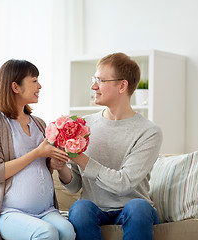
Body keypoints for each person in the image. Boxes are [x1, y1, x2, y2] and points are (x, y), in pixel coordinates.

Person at [50, 52, 163, 240]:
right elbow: (74, 186)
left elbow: (124, 184)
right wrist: (62, 166)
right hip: (93, 208)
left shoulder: (149, 132)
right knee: (80, 207)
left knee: (137, 207)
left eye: (101, 80)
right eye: (94, 79)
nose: (93, 86)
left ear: (122, 85)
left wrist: (80, 157)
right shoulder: (83, 125)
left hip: (134, 209)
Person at [0, 59, 76, 240]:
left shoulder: (39, 123)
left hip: (45, 210)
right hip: (9, 212)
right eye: (34, 81)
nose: (40, 86)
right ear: (16, 87)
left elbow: (60, 174)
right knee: (46, 233)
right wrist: (37, 153)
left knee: (68, 232)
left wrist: (57, 163)